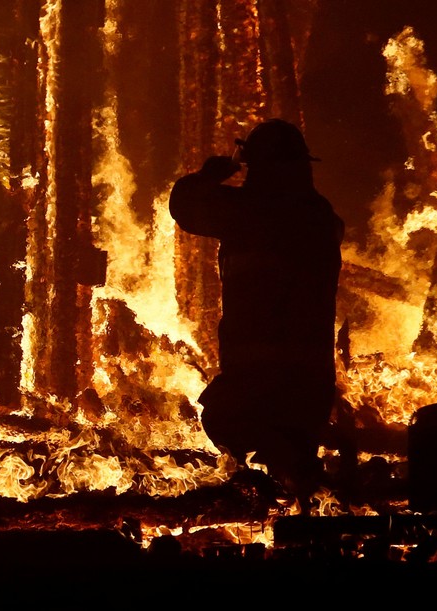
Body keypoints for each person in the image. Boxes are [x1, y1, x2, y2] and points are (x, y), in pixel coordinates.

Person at [168, 118, 344, 496]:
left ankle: (269, 498)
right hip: (312, 374)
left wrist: (208, 175)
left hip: (257, 371)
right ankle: (300, 501)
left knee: (225, 420)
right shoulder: (322, 216)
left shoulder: (248, 211)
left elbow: (185, 207)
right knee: (295, 451)